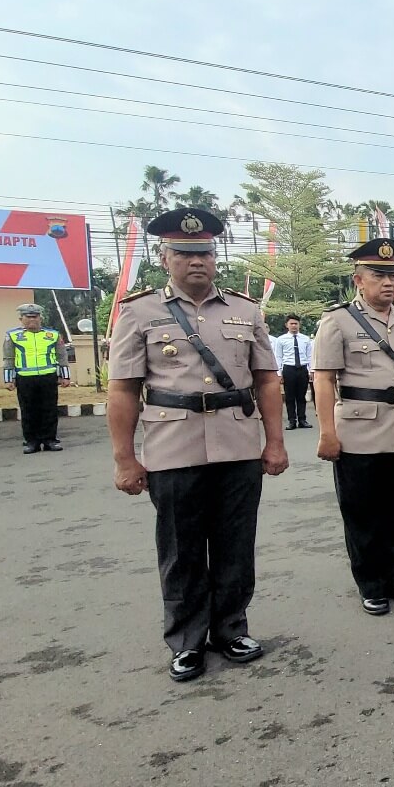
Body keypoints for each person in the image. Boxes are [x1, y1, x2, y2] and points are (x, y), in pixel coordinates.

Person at [106, 208, 288, 683]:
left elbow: (268, 382)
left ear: (215, 257)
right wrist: (126, 458)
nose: (196, 262)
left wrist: (275, 443)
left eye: (204, 253)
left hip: (237, 445)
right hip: (172, 448)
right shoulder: (139, 312)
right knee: (182, 550)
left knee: (234, 545)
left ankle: (230, 629)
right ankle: (186, 642)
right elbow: (123, 390)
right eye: (184, 254)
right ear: (165, 258)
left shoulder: (245, 311)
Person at [313, 238, 394, 616]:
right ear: (358, 280)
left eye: (391, 275)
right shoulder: (338, 321)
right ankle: (371, 584)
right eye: (378, 275)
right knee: (362, 513)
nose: (387, 282)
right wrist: (327, 432)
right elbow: (322, 379)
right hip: (358, 433)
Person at [3, 304, 71, 454]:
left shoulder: (52, 334)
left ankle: (50, 440)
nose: (32, 320)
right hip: (25, 378)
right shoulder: (12, 335)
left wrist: (65, 377)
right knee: (28, 410)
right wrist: (9, 379)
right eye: (28, 317)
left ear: (41, 318)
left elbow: (62, 356)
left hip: (48, 376)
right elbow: (8, 358)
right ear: (21, 318)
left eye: (35, 316)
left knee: (50, 409)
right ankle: (31, 442)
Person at [272, 313, 313, 430]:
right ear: (287, 325)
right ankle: (291, 421)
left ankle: (302, 419)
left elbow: (309, 356)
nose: (294, 326)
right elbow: (278, 357)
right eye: (292, 323)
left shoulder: (305, 339)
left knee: (301, 396)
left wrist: (311, 371)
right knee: (289, 397)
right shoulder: (281, 340)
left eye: (296, 323)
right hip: (289, 369)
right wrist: (279, 373)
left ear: (299, 325)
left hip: (302, 369)